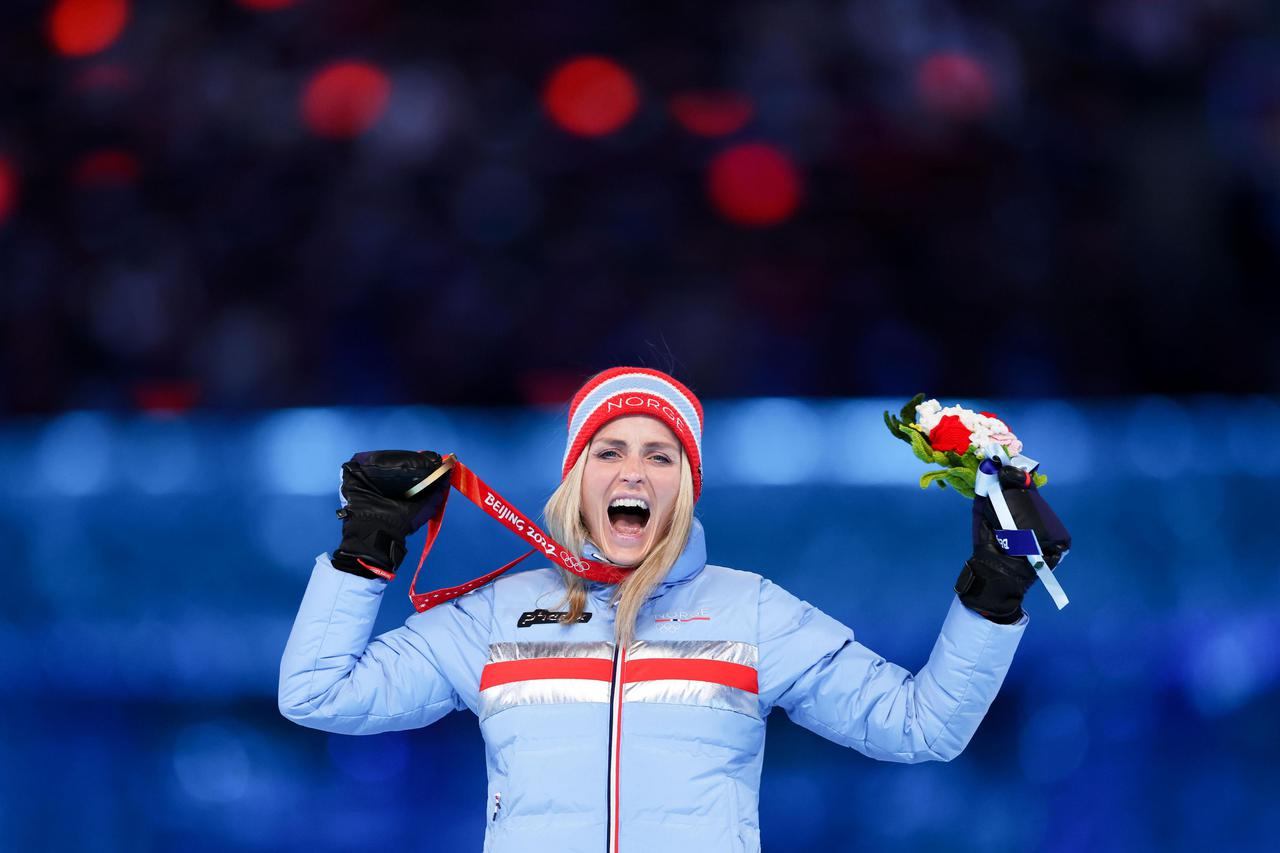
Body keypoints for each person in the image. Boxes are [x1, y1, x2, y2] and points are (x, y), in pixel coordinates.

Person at [279, 367, 1069, 853]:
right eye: (609, 450)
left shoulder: (751, 611)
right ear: (576, 478)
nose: (635, 470)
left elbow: (922, 726)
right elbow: (317, 693)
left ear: (684, 487)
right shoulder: (496, 615)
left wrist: (992, 596)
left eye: (660, 454)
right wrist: (364, 554)